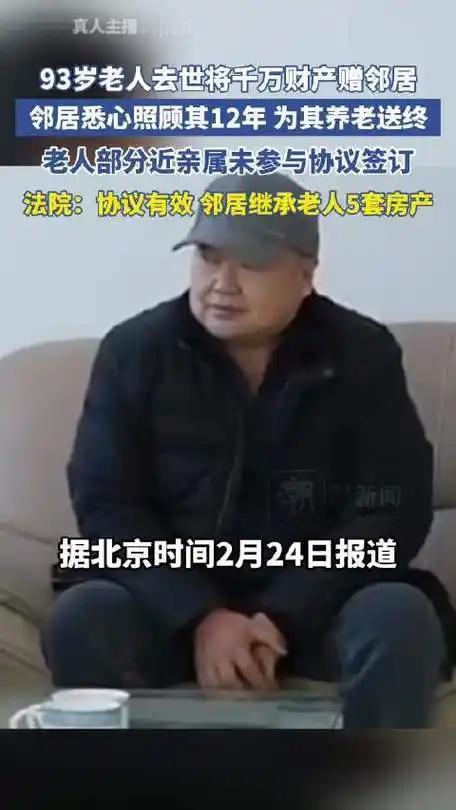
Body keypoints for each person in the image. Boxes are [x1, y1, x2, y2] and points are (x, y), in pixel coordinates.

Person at [42, 171, 455, 729]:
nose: (222, 284)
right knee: (82, 618)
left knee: (400, 616)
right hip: (171, 606)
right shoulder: (135, 352)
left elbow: (392, 508)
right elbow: (106, 506)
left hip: (319, 604)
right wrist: (202, 617)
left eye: (251, 264)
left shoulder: (362, 353)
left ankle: (373, 772)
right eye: (208, 258)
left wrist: (281, 615)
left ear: (306, 274)